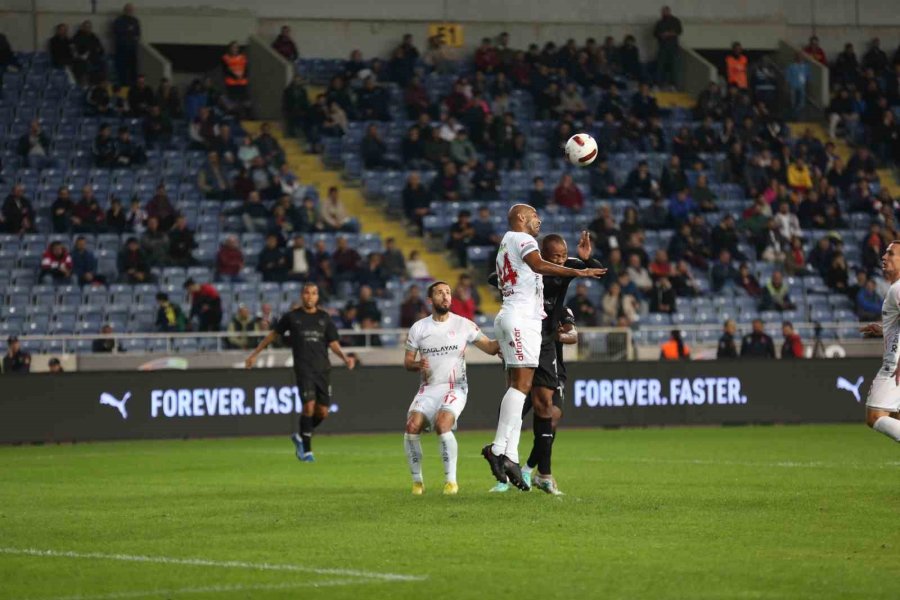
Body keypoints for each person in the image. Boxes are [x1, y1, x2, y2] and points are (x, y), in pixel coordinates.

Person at [483, 205, 605, 490]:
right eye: (534, 215)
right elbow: (538, 265)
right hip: (521, 319)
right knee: (520, 387)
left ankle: (511, 457)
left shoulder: (507, 243)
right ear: (522, 218)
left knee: (522, 388)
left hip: (522, 323)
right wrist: (579, 272)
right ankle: (499, 450)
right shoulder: (524, 241)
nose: (539, 220)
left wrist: (582, 263)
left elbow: (512, 274)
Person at [403, 281, 500, 495]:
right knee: (411, 426)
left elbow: (491, 347)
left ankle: (451, 482)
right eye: (440, 293)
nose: (445, 296)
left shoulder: (463, 324)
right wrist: (418, 364)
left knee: (442, 423)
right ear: (430, 300)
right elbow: (408, 362)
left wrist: (509, 335)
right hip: (428, 388)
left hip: (455, 387)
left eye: (448, 292)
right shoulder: (419, 328)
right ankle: (417, 482)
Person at [245, 283, 357, 462]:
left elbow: (333, 342)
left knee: (323, 412)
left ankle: (300, 436)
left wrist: (345, 358)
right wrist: (254, 354)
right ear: (301, 295)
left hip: (323, 370)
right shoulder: (292, 317)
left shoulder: (324, 318)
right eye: (307, 293)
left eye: (313, 293)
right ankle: (307, 451)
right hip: (304, 369)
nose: (310, 296)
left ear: (317, 297)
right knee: (309, 406)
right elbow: (273, 335)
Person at [860, 241, 900, 443]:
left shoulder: (897, 289)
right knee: (896, 418)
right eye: (885, 253)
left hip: (895, 366)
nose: (884, 257)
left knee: (875, 416)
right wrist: (884, 330)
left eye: (890, 254)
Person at [653, 6, 682, 88]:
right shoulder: (660, 22)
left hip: (673, 48)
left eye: (665, 12)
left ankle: (673, 84)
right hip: (663, 47)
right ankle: (658, 84)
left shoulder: (675, 21)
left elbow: (679, 31)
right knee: (660, 66)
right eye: (662, 12)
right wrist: (661, 35)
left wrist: (669, 34)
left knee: (674, 66)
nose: (663, 13)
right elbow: (655, 33)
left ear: (669, 11)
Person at [112, 3, 141, 85]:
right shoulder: (119, 21)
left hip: (132, 48)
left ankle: (133, 85)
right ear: (124, 10)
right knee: (122, 69)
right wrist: (128, 30)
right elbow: (117, 32)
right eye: (128, 10)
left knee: (133, 69)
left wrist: (130, 32)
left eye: (131, 10)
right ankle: (123, 85)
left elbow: (137, 33)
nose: (130, 11)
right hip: (122, 48)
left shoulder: (135, 21)